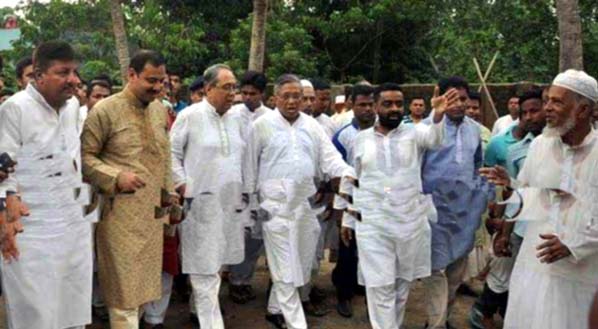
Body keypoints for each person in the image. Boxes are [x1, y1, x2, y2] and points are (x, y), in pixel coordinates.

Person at [481, 69, 598, 329]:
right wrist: (507, 214)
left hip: (582, 272)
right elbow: (529, 196)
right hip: (535, 260)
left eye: (557, 101)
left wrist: (575, 244)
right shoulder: (540, 146)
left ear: (582, 110)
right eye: (548, 101)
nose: (548, 108)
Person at [338, 83, 455, 329]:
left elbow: (435, 139)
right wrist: (348, 220)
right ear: (376, 106)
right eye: (387, 104)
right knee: (379, 285)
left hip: (409, 223)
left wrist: (439, 114)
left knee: (402, 284)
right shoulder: (360, 140)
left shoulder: (415, 133)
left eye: (398, 104)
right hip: (373, 224)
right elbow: (351, 180)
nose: (394, 109)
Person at [247, 74, 355, 329]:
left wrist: (347, 172)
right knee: (284, 268)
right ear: (275, 98)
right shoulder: (260, 126)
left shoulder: (312, 126)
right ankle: (295, 323)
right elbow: (249, 168)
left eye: (299, 96)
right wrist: (252, 206)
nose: (293, 101)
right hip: (273, 208)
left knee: (303, 263)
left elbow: (330, 159)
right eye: (287, 96)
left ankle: (275, 309)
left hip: (306, 206)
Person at [0, 40, 93, 329]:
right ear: (38, 75)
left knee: (74, 311)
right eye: (63, 72)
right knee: (36, 316)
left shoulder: (73, 107)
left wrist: (88, 217)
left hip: (73, 228)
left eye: (75, 73)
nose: (73, 80)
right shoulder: (15, 109)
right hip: (31, 234)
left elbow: (73, 163)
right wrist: (4, 225)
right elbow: (3, 174)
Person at [81, 49, 176, 329]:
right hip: (119, 215)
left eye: (161, 81)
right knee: (123, 295)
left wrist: (169, 194)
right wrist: (115, 175)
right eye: (151, 80)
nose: (158, 87)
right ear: (131, 75)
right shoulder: (105, 110)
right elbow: (85, 157)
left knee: (143, 291)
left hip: (152, 216)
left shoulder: (159, 109)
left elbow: (164, 156)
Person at [170, 63, 246, 329]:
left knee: (216, 267)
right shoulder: (190, 116)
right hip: (200, 204)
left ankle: (198, 311)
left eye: (234, 87)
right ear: (207, 88)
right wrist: (183, 186)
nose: (232, 93)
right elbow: (172, 155)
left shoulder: (238, 118)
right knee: (204, 270)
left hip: (230, 205)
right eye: (227, 87)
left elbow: (243, 158)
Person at [470, 88, 546, 329]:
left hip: (550, 229)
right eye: (525, 112)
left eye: (535, 110)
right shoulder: (511, 147)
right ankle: (484, 312)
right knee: (502, 271)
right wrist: (500, 223)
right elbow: (514, 191)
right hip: (520, 224)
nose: (529, 117)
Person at [421, 76, 493, 329]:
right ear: (438, 97)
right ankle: (436, 323)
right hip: (434, 211)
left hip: (463, 212)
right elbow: (415, 170)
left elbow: (476, 166)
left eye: (463, 99)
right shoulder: (426, 129)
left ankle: (445, 317)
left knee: (455, 271)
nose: (459, 104)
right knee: (436, 270)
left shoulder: (474, 129)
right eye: (452, 98)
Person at [228, 70, 271, 305]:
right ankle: (233, 278)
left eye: (252, 93)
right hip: (235, 185)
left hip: (262, 186)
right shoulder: (232, 115)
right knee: (236, 234)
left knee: (255, 237)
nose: (246, 97)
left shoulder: (272, 118)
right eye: (243, 92)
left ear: (262, 94)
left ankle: (242, 281)